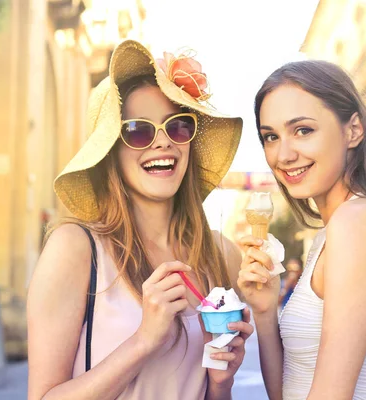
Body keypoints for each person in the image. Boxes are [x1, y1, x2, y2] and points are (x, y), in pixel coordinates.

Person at [27, 40, 252, 400]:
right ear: (111, 153)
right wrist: (144, 340)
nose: (162, 143)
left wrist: (220, 383)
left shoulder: (220, 254)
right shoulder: (76, 249)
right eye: (138, 131)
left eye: (178, 127)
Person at [237, 60, 366, 399]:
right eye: (271, 137)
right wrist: (265, 311)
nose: (284, 154)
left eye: (303, 130)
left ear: (353, 130)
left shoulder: (357, 222)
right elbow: (291, 391)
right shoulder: (335, 230)